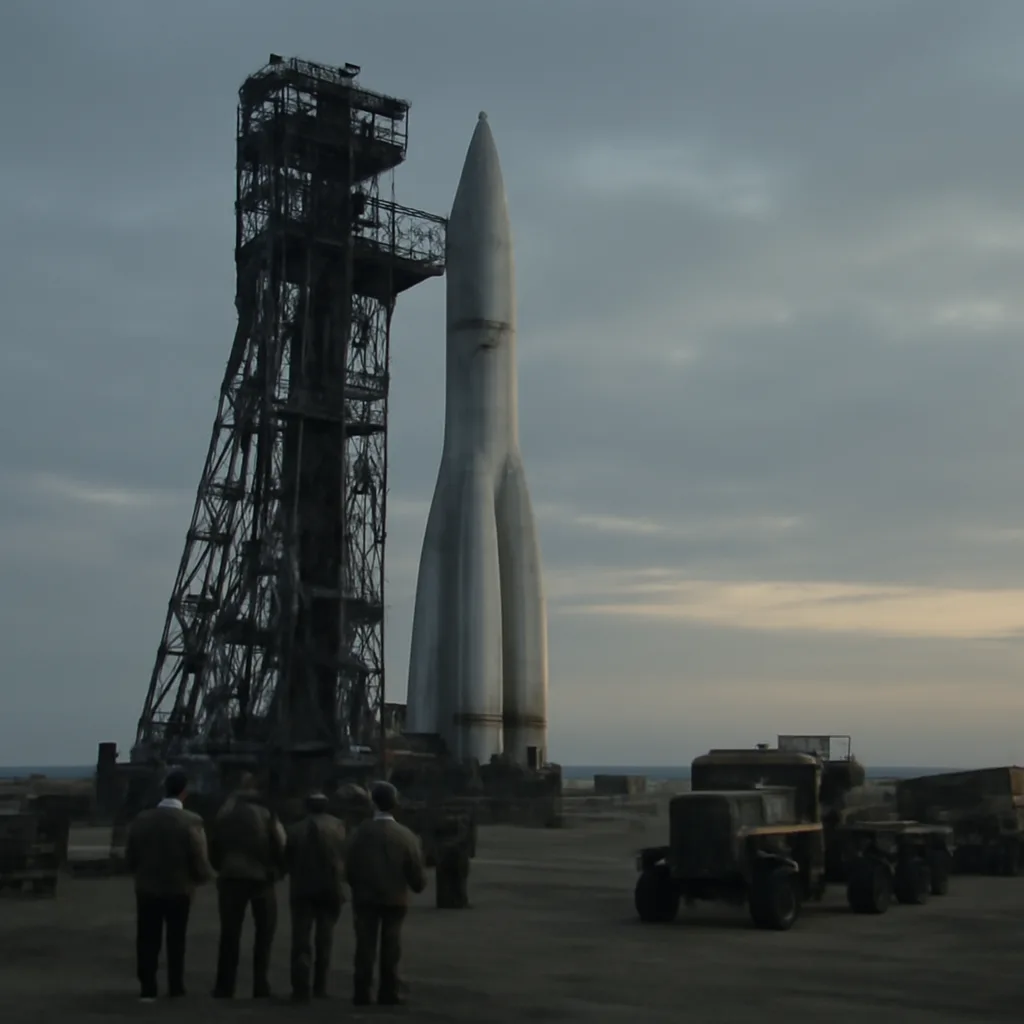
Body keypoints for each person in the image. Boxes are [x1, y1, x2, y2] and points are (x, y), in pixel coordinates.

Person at [124, 768, 213, 1002]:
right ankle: (175, 986)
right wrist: (203, 877)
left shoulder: (142, 820)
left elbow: (130, 855)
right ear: (184, 793)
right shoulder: (192, 821)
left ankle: (148, 987)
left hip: (147, 888)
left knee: (147, 939)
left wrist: (138, 872)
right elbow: (199, 856)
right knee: (176, 939)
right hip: (179, 889)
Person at [343, 781, 426, 1006]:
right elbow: (416, 871)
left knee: (364, 946)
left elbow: (348, 866)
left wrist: (357, 885)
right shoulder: (406, 835)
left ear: (373, 803)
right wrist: (417, 885)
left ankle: (362, 991)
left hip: (365, 898)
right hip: (395, 898)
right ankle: (389, 991)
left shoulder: (359, 833)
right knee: (391, 946)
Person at [209, 773, 287, 999]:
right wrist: (278, 870)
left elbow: (214, 845)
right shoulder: (267, 814)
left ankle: (224, 986)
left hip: (231, 877)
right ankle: (260, 986)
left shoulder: (224, 814)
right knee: (264, 935)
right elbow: (280, 844)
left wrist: (221, 867)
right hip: (261, 879)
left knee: (229, 934)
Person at [285, 792, 348, 1002]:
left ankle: (300, 988)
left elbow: (286, 859)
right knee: (325, 939)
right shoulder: (339, 827)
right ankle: (320, 987)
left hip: (302, 889)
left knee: (301, 940)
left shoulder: (294, 830)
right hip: (330, 889)